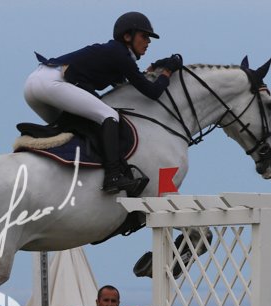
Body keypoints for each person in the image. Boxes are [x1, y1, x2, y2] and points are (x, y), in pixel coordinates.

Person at [23, 12, 182, 197]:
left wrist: (153, 69)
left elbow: (130, 84)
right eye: (144, 36)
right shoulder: (120, 54)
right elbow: (152, 92)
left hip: (34, 84)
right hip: (51, 83)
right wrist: (167, 72)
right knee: (109, 116)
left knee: (77, 126)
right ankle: (113, 176)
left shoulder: (115, 53)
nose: (148, 42)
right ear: (127, 36)